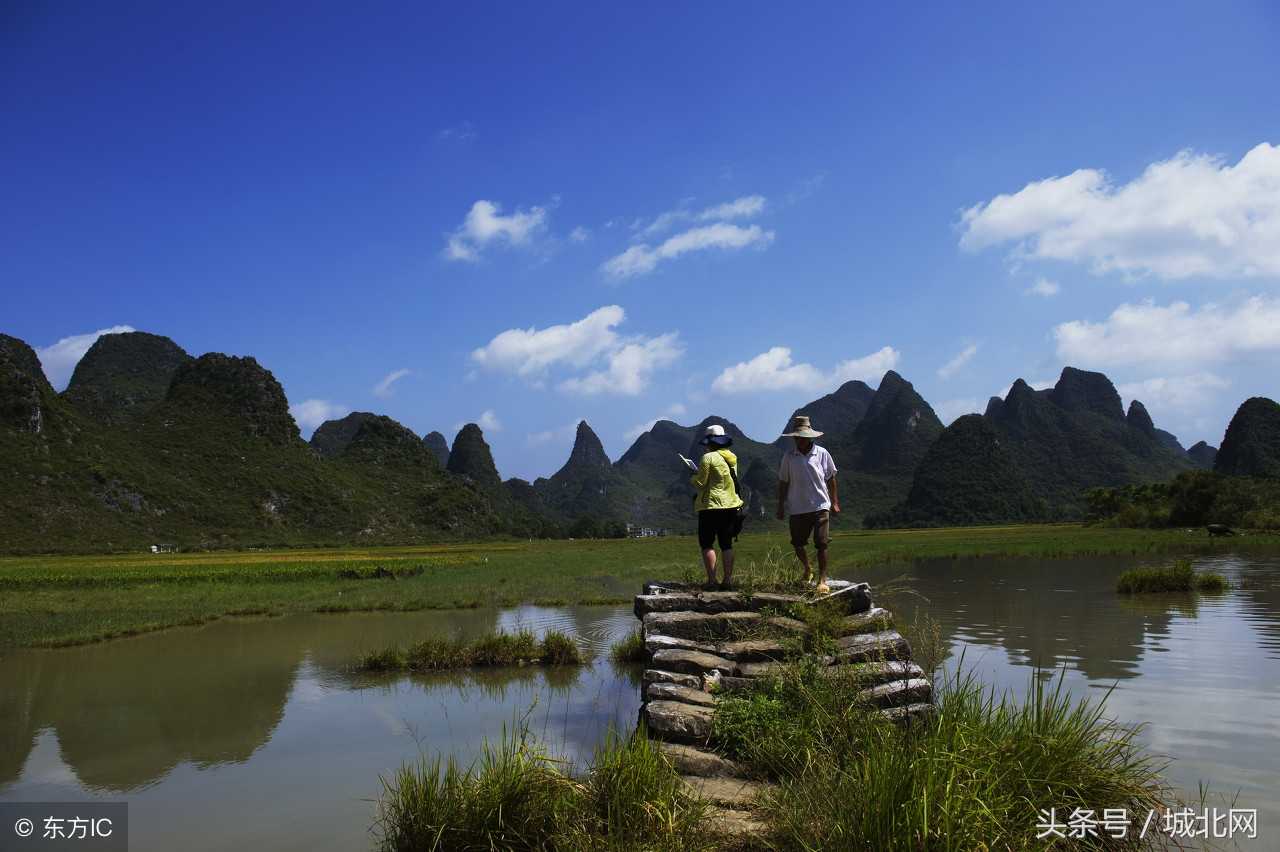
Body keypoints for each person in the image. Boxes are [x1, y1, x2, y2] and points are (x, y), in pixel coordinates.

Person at [777, 414, 839, 594]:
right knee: (798, 544)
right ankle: (807, 568)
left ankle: (822, 580)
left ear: (809, 437)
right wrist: (780, 505)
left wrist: (834, 502)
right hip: (797, 507)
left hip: (820, 505)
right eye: (796, 438)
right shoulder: (789, 457)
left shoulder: (822, 453)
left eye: (802, 437)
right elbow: (783, 482)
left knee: (822, 543)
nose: (799, 440)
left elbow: (831, 479)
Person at [690, 424, 743, 589]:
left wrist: (692, 475)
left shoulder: (708, 458)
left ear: (710, 442)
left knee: (707, 543)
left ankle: (712, 581)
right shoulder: (732, 458)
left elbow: (700, 483)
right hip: (731, 506)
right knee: (726, 544)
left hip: (711, 506)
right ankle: (727, 581)